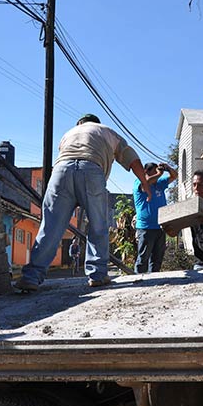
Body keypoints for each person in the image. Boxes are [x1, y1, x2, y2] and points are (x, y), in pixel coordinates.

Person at [14, 114, 151, 291]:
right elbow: (130, 156)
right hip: (91, 170)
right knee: (98, 225)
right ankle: (98, 275)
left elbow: (66, 157)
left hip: (61, 172)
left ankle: (31, 277)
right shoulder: (107, 131)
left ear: (80, 123)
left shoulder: (69, 133)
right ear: (96, 123)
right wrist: (145, 183)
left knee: (50, 227)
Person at [133, 162, 177, 273]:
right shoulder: (139, 182)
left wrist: (167, 168)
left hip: (161, 226)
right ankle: (139, 279)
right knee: (143, 258)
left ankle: (154, 280)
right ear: (145, 172)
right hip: (146, 227)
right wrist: (159, 174)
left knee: (157, 259)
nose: (156, 176)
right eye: (153, 173)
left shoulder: (159, 184)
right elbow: (145, 184)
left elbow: (174, 176)